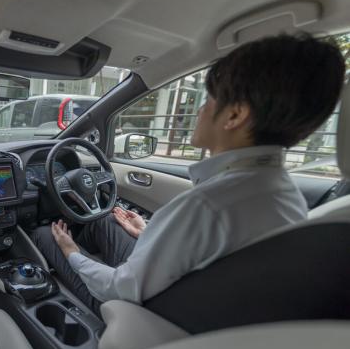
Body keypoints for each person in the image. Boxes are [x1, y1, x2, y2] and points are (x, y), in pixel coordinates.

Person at [32, 33, 346, 313]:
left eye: (209, 99)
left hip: (145, 312)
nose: (200, 110)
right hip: (197, 295)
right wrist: (149, 233)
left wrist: (72, 251)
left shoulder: (208, 205)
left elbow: (120, 289)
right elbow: (219, 258)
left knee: (47, 234)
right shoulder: (282, 192)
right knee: (104, 219)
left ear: (235, 115)